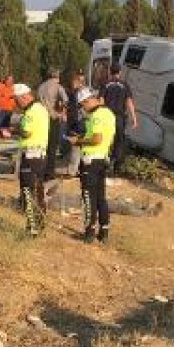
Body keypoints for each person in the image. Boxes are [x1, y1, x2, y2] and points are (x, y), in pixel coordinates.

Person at [69, 87, 116, 243]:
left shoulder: (96, 116)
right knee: (101, 197)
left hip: (91, 160)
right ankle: (104, 231)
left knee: (89, 196)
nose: (83, 109)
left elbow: (96, 139)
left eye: (82, 105)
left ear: (87, 101)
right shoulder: (108, 113)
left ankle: (89, 232)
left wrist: (78, 141)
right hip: (103, 158)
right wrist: (84, 136)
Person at [14, 83, 49, 235]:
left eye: (17, 100)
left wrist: (15, 130)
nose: (16, 104)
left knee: (28, 192)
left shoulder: (31, 112)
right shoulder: (40, 108)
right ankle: (40, 224)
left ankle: (32, 228)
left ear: (24, 97)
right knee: (38, 191)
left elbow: (27, 133)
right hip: (39, 156)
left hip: (31, 156)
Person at [101, 63, 138, 173]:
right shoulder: (125, 85)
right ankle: (115, 165)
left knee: (105, 139)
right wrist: (134, 118)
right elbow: (129, 102)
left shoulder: (105, 84)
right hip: (119, 118)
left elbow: (101, 100)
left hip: (107, 116)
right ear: (120, 72)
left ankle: (104, 162)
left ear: (110, 71)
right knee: (119, 141)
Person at [64, 70, 87, 177]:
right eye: (77, 80)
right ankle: (76, 170)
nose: (77, 82)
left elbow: (80, 110)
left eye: (80, 80)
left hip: (79, 123)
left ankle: (74, 171)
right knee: (77, 147)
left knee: (78, 147)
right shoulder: (72, 93)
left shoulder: (82, 94)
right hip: (76, 123)